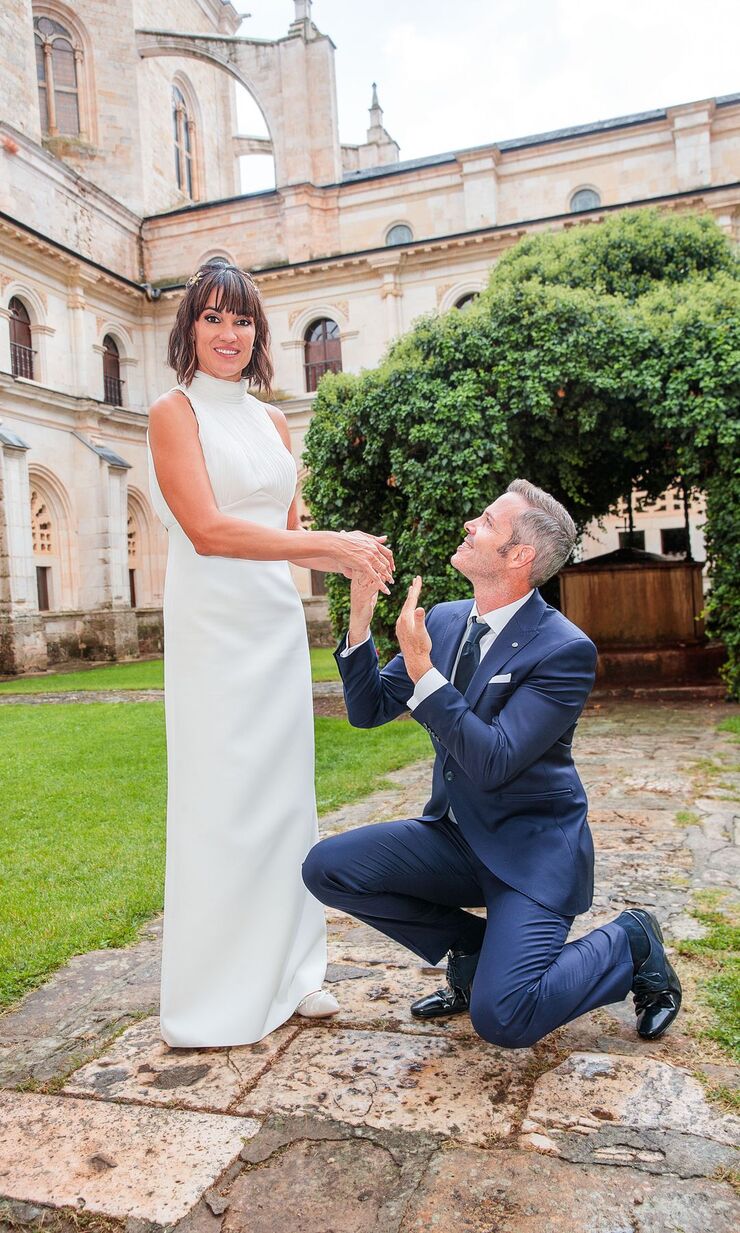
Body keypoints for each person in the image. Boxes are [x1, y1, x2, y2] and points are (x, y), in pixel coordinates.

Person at [303, 480, 682, 1048]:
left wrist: (423, 671)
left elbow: (493, 761)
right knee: (327, 868)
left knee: (504, 1019)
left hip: (532, 854)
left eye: (485, 522)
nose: (469, 525)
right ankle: (475, 950)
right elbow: (368, 709)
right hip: (456, 839)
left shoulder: (563, 650)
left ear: (519, 557)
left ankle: (629, 942)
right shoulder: (450, 620)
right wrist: (361, 617)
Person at [147, 259, 394, 1047]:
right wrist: (324, 540)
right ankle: (215, 994)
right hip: (212, 624)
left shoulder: (275, 422)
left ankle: (295, 972)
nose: (229, 334)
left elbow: (290, 531)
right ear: (189, 328)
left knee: (286, 795)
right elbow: (211, 530)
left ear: (258, 334)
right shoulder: (172, 412)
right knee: (223, 800)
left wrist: (357, 559)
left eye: (242, 320)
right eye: (213, 318)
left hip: (273, 623)